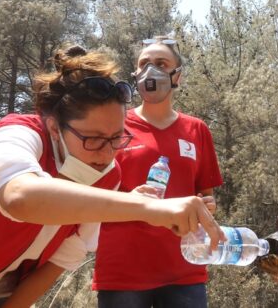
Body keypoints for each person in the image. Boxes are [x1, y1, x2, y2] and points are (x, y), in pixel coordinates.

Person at [0, 45, 223, 308]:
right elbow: (20, 197)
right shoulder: (17, 134)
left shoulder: (109, 176)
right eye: (92, 139)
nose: (107, 153)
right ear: (54, 128)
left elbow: (56, 264)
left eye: (118, 138)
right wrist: (145, 208)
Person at [93, 37, 222, 308]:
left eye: (161, 63)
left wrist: (208, 205)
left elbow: (206, 197)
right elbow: (92, 192)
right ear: (136, 75)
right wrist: (132, 199)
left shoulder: (197, 130)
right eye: (144, 64)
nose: (151, 70)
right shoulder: (115, 124)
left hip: (185, 267)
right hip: (123, 271)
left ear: (178, 76)